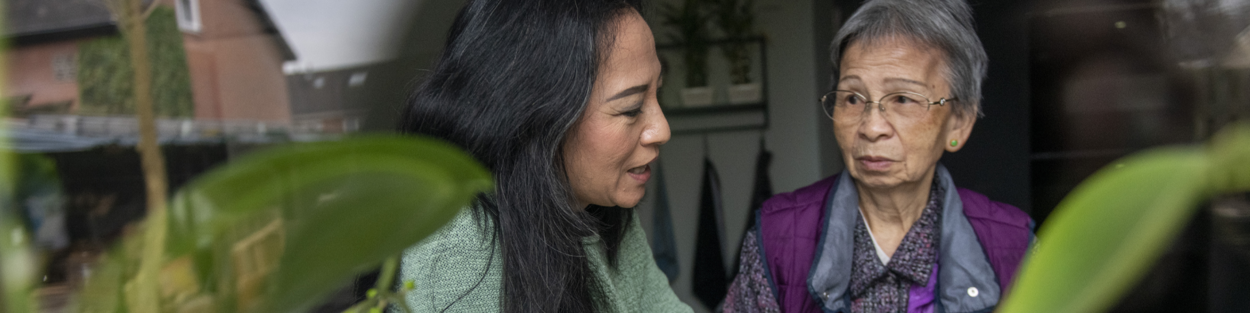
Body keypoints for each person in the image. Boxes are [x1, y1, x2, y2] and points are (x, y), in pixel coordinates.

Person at [721, 0, 1034, 312]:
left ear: (959, 122)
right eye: (853, 98)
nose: (871, 127)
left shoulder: (1013, 246)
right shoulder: (778, 239)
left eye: (902, 98)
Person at [396, 0, 691, 312]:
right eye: (630, 108)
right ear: (536, 117)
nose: (661, 130)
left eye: (657, 92)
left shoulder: (602, 213)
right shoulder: (460, 245)